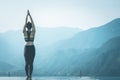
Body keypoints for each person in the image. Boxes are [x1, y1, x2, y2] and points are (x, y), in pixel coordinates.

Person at [23, 10, 36, 80]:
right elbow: (32, 24)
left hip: (29, 48)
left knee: (29, 63)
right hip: (29, 48)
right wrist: (29, 16)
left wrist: (27, 16)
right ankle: (28, 75)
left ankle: (29, 76)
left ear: (28, 26)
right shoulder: (26, 31)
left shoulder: (30, 31)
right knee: (28, 63)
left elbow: (27, 24)